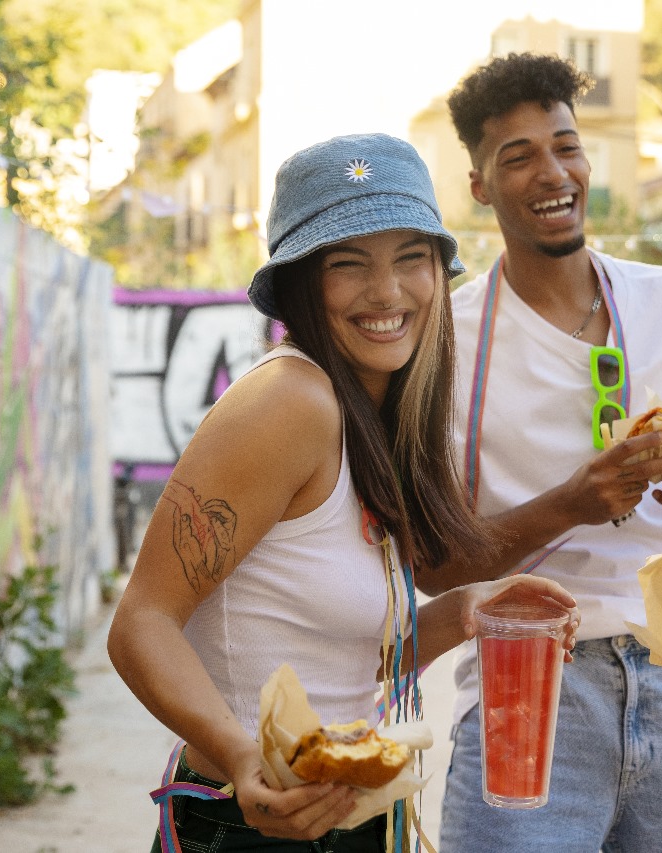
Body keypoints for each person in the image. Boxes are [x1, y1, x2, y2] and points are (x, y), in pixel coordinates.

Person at [106, 132, 579, 852]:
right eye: (348, 264)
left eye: (410, 258)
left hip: (352, 817)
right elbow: (142, 621)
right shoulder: (292, 400)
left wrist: (466, 610)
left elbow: (332, 664)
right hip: (252, 823)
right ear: (302, 281)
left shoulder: (372, 417)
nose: (386, 292)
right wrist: (242, 761)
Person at [422, 52, 662, 851]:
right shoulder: (445, 344)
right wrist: (573, 503)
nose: (552, 171)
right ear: (479, 186)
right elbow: (434, 568)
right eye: (517, 156)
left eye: (565, 145)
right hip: (527, 688)